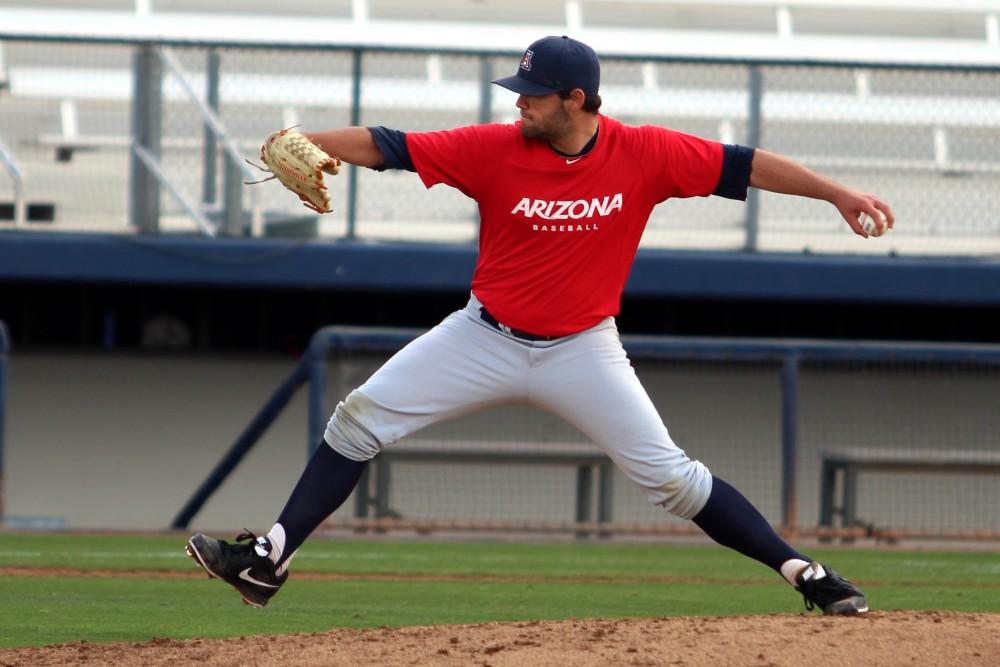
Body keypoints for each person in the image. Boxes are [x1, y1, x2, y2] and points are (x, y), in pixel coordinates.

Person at [186, 35, 892, 614]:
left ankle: (804, 573)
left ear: (575, 100)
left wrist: (836, 193)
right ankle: (268, 558)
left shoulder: (645, 153)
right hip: (482, 336)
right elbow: (391, 144)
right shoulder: (495, 148)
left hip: (583, 349)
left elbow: (745, 164)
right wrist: (308, 141)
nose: (519, 103)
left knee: (673, 480)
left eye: (533, 93)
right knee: (358, 419)